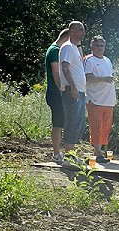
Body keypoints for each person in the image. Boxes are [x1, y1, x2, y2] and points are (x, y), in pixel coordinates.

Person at [85, 35, 116, 163]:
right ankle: (97, 153)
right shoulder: (89, 60)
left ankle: (101, 150)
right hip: (95, 99)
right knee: (96, 126)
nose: (100, 48)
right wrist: (103, 79)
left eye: (102, 46)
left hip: (108, 99)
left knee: (106, 126)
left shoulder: (107, 60)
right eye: (97, 45)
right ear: (92, 47)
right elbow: (87, 77)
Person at [59, 21, 87, 162]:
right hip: (72, 91)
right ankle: (69, 156)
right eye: (80, 30)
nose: (83, 32)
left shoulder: (75, 48)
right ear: (72, 32)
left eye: (83, 30)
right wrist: (74, 87)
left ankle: (72, 154)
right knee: (72, 121)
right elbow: (65, 67)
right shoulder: (67, 47)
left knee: (79, 123)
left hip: (80, 91)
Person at [45, 29, 70, 162]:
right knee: (58, 123)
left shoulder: (55, 49)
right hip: (55, 93)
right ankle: (56, 154)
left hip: (57, 92)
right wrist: (61, 90)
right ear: (66, 38)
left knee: (62, 122)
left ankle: (62, 153)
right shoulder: (54, 50)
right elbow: (56, 73)